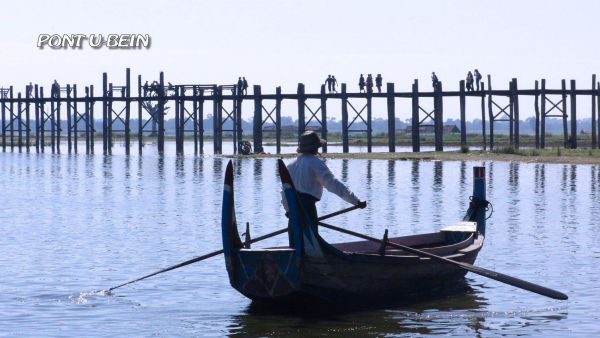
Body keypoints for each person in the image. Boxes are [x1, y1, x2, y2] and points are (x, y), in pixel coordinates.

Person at [282, 131, 366, 242]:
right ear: (316, 148)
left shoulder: (291, 164)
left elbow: (284, 191)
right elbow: (333, 184)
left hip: (293, 210)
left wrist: (288, 209)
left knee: (295, 245)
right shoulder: (315, 163)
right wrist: (356, 201)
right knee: (311, 244)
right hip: (307, 209)